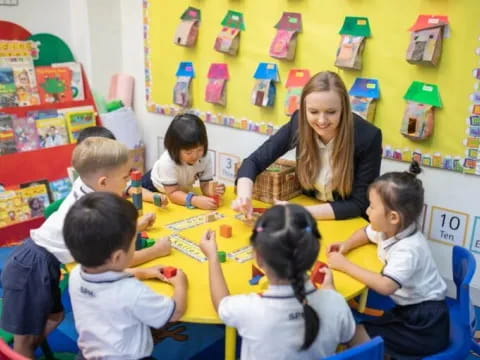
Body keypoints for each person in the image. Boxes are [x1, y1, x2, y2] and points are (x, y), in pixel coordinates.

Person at [0, 137, 171, 358]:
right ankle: (21, 353)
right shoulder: (91, 212)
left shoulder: (85, 186)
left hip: (44, 261)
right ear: (102, 183)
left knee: (56, 316)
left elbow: (106, 234)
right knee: (25, 339)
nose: (128, 183)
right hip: (32, 266)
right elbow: (113, 260)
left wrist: (134, 226)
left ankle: (28, 348)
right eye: (125, 177)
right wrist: (157, 250)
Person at [199, 204, 355, 360]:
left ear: (258, 257)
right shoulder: (336, 302)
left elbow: (221, 304)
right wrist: (330, 293)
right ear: (313, 253)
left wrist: (212, 256)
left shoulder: (250, 309)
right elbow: (351, 338)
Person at [327, 161, 449, 357]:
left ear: (393, 217)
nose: (367, 211)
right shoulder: (389, 230)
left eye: (372, 207)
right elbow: (365, 233)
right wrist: (345, 245)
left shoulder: (408, 249)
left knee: (354, 335)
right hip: (408, 310)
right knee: (363, 332)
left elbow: (385, 286)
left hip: (425, 323)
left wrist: (345, 265)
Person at [234, 71, 382, 220]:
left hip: (347, 219)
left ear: (344, 108)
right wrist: (244, 197)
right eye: (313, 112)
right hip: (310, 213)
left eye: (331, 112)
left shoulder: (368, 137)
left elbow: (359, 204)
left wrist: (300, 212)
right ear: (304, 108)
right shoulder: (299, 122)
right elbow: (253, 161)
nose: (322, 120)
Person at [64, 192, 187, 359]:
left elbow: (107, 283)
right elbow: (174, 313)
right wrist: (181, 284)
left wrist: (143, 272)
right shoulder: (133, 292)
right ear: (117, 257)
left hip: (89, 354)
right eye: (132, 243)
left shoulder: (77, 274)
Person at [143, 113, 225, 210]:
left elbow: (205, 184)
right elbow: (172, 193)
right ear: (175, 149)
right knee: (133, 189)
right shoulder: (167, 162)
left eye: (199, 150)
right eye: (188, 152)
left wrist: (212, 190)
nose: (195, 156)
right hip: (154, 185)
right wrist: (195, 200)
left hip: (179, 187)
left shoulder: (204, 156)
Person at [76, 126, 168, 208]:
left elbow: (133, 188)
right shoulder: (88, 207)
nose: (127, 180)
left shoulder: (109, 177)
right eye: (124, 177)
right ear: (103, 182)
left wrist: (153, 197)